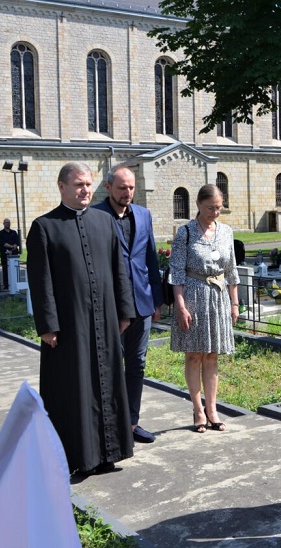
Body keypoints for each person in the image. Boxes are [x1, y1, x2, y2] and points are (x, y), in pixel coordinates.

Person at [26, 162, 136, 476]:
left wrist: (125, 311)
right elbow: (41, 280)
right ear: (61, 187)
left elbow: (119, 270)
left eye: (88, 184)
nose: (84, 190)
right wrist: (48, 325)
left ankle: (108, 454)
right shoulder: (44, 226)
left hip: (105, 320)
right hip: (69, 326)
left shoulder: (104, 221)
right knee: (73, 389)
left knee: (108, 383)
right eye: (78, 185)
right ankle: (76, 458)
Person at [93, 165, 163, 444]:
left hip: (142, 303)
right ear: (109, 187)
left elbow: (150, 259)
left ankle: (132, 423)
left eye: (131, 187)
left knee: (137, 364)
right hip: (110, 305)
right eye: (122, 187)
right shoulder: (95, 216)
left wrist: (157, 299)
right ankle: (109, 425)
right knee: (108, 365)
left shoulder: (143, 215)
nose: (128, 192)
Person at [169, 184, 239, 433]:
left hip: (218, 297)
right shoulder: (185, 233)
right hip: (193, 296)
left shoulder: (226, 231)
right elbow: (176, 271)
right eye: (211, 208)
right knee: (194, 355)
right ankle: (198, 410)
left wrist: (234, 303)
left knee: (212, 356)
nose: (215, 212)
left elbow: (231, 270)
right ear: (198, 204)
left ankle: (212, 409)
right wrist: (180, 305)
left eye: (219, 208)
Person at [0, 217, 21, 290]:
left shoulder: (14, 232)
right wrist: (11, 246)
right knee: (5, 270)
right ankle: (6, 285)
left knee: (15, 269)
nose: (7, 224)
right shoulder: (0, 233)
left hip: (14, 254)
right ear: (3, 224)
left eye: (8, 222)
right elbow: (3, 243)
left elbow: (17, 242)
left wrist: (14, 246)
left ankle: (16, 284)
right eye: (6, 222)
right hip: (4, 254)